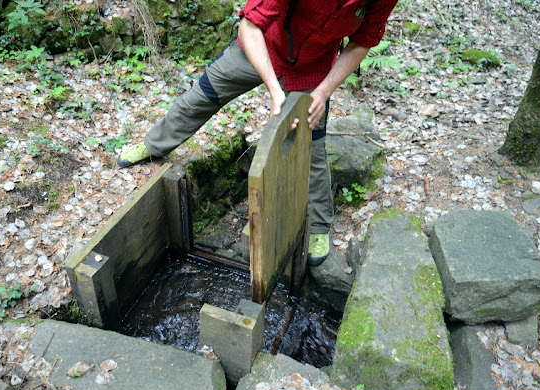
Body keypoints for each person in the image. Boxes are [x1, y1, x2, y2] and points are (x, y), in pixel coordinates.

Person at [118, 0, 399, 266]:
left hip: (313, 68)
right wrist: (275, 92)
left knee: (312, 143)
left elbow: (361, 43)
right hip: (261, 45)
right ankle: (153, 144)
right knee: (201, 96)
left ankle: (318, 227)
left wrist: (324, 91)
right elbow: (250, 26)